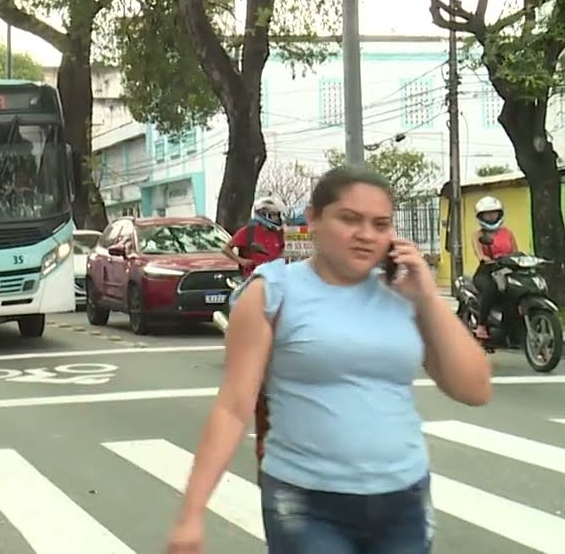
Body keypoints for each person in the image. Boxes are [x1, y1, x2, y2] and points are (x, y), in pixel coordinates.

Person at [165, 166, 492, 554]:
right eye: (349, 219)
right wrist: (192, 514)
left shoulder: (403, 293)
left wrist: (426, 296)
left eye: (380, 223)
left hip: (404, 498)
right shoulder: (273, 292)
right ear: (314, 219)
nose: (366, 234)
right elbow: (233, 407)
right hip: (306, 502)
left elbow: (474, 389)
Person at [470, 195, 518, 340]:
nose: (491, 216)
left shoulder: (507, 232)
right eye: (487, 213)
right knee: (490, 290)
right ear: (481, 216)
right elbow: (479, 253)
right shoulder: (478, 234)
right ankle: (481, 325)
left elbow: (515, 252)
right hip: (486, 271)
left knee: (517, 291)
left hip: (506, 270)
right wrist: (486, 258)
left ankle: (512, 327)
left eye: (494, 212)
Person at [223, 196, 287, 276]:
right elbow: (226, 249)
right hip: (253, 276)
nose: (277, 218)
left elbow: (284, 251)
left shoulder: (279, 233)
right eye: (273, 215)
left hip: (274, 276)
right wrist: (242, 261)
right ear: (262, 214)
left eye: (277, 215)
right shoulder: (248, 231)